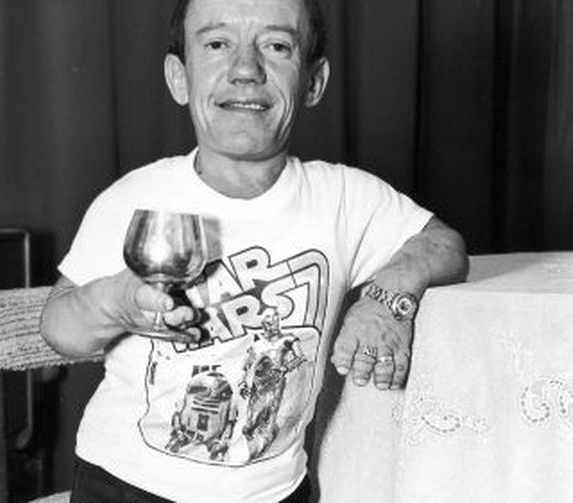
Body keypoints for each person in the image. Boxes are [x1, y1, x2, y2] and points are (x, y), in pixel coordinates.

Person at [41, 0, 469, 501]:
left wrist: (386, 297)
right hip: (128, 485)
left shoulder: (345, 197)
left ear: (313, 82)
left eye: (277, 45)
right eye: (217, 44)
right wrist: (113, 303)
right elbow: (58, 329)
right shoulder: (134, 198)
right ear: (179, 78)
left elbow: (443, 243)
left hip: (277, 492)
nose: (245, 69)